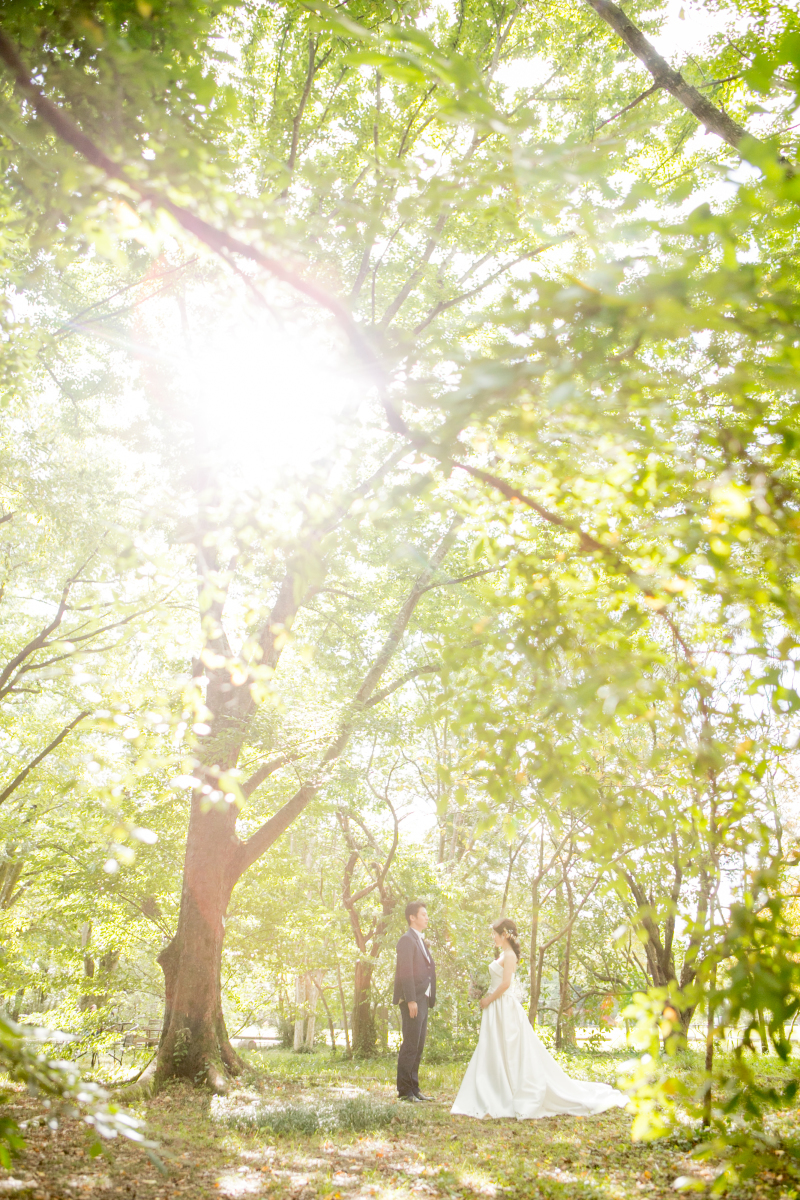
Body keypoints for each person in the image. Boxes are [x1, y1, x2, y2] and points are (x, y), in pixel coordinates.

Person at [451, 917, 629, 1120]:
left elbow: (506, 983)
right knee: (493, 1047)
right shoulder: (503, 953)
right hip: (497, 1006)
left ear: (505, 935)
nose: (492, 937)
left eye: (495, 933)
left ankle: (508, 1091)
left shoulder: (509, 955)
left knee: (509, 1049)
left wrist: (487, 999)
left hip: (502, 1006)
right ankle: (492, 1089)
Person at [393, 900, 436, 1102]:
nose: (427, 917)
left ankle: (414, 1088)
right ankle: (404, 1091)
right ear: (412, 917)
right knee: (410, 1044)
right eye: (423, 914)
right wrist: (410, 1000)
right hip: (413, 999)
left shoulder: (419, 939)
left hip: (423, 998)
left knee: (418, 1045)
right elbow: (405, 972)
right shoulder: (406, 940)